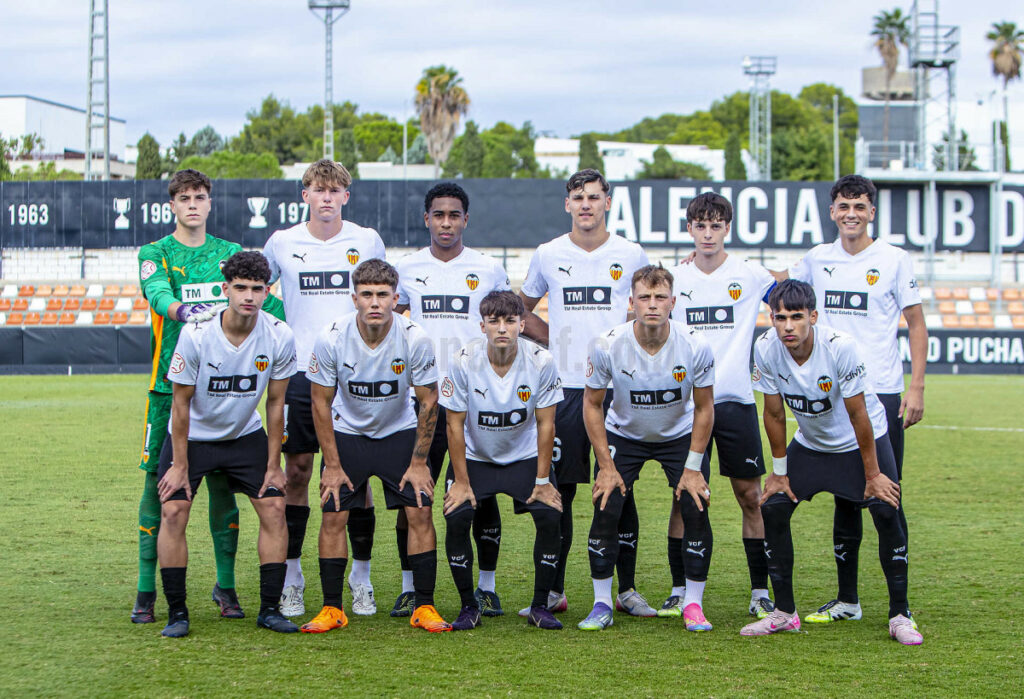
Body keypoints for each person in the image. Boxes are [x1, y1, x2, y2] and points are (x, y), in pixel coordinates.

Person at [133, 169, 284, 624]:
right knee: (159, 487)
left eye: (201, 196)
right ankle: (146, 589)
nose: (193, 204)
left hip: (229, 390)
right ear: (173, 205)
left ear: (210, 203)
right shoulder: (156, 252)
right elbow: (159, 296)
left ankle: (227, 586)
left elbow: (267, 304)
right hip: (170, 388)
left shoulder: (230, 255)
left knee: (225, 491)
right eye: (184, 198)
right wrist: (188, 310)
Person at [742, 279, 921, 645]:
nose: (787, 326)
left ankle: (900, 615)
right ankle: (784, 613)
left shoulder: (840, 348)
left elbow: (860, 417)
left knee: (886, 510)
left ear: (813, 317)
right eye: (779, 318)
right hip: (812, 443)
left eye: (796, 317)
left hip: (860, 442)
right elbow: (773, 414)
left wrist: (872, 475)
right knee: (773, 507)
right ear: (771, 319)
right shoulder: (765, 348)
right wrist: (778, 474)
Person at [394, 183, 542, 617]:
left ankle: (487, 586)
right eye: (438, 215)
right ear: (426, 219)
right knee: (414, 495)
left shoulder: (487, 267)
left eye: (454, 215)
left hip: (476, 402)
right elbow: (394, 324)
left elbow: (511, 320)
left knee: (481, 495)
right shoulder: (407, 267)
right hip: (422, 402)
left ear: (465, 220)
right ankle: (410, 587)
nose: (446, 222)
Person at [786, 175, 926, 625]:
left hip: (880, 392)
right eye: (844, 206)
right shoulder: (816, 259)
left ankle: (900, 610)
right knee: (845, 499)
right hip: (830, 394)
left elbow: (917, 324)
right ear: (832, 212)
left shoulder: (893, 259)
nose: (851, 214)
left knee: (885, 498)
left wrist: (917, 386)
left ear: (871, 212)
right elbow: (779, 291)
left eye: (860, 206)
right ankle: (848, 600)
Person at [519, 169, 653, 618]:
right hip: (565, 389)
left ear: (608, 202)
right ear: (567, 204)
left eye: (594, 197)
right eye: (578, 197)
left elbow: (647, 306)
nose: (586, 204)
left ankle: (627, 589)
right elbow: (521, 309)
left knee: (619, 489)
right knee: (564, 493)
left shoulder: (630, 254)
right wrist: (554, 338)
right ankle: (554, 590)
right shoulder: (548, 253)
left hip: (617, 389)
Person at [263, 159, 386, 618]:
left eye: (335, 190)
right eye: (319, 189)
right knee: (296, 473)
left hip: (356, 373)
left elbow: (385, 297)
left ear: (346, 197)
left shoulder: (366, 240)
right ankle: (293, 577)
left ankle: (362, 577)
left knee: (356, 477)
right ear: (305, 196)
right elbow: (254, 286)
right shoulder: (282, 242)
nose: (327, 197)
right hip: (299, 373)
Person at [301, 259, 450, 633]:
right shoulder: (331, 336)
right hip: (347, 433)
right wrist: (332, 465)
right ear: (354, 298)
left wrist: (419, 463)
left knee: (419, 511)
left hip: (397, 432)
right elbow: (320, 402)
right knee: (333, 513)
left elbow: (429, 400)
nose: (374, 302)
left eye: (383, 295)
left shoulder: (415, 337)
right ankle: (332, 608)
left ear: (396, 298)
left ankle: (424, 606)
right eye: (366, 294)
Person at [155, 251, 298, 638]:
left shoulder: (279, 334)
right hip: (192, 437)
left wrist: (273, 465)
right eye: (240, 288)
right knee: (173, 513)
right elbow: (180, 404)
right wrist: (180, 465)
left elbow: (275, 403)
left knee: (273, 509)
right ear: (226, 289)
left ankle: (270, 610)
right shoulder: (197, 333)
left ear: (267, 291)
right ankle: (177, 613)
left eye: (256, 289)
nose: (248, 297)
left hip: (244, 436)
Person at [579, 265, 716, 631]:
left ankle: (693, 605)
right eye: (644, 297)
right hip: (625, 435)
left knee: (695, 505)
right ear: (631, 302)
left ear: (673, 302)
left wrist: (693, 467)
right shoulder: (607, 344)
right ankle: (602, 603)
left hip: (679, 435)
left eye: (659, 298)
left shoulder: (696, 345)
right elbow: (591, 405)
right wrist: (606, 466)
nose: (652, 305)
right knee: (606, 505)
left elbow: (704, 408)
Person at [665, 192, 776, 619]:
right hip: (687, 406)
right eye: (700, 225)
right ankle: (679, 589)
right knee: (684, 498)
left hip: (735, 402)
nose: (707, 234)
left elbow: (790, 304)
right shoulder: (674, 279)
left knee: (750, 495)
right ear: (689, 228)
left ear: (727, 228)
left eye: (716, 226)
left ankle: (760, 591)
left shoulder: (750, 275)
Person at [440, 291, 565, 630]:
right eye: (494, 321)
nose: (502, 328)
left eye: (510, 321)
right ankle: (469, 606)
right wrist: (462, 482)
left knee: (550, 514)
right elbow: (453, 424)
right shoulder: (463, 360)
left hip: (523, 457)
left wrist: (542, 481)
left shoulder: (541, 360)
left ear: (522, 324)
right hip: (476, 459)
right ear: (482, 325)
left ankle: (541, 606)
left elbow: (546, 423)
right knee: (456, 516)